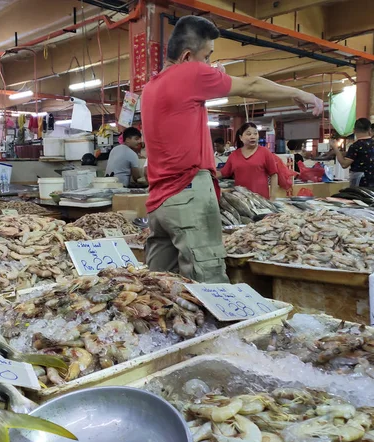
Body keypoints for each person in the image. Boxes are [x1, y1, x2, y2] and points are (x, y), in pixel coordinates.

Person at [141, 15, 323, 282]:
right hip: (188, 194)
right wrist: (297, 92)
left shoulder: (151, 87)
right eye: (207, 57)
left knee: (160, 285)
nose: (210, 65)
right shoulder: (190, 73)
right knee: (209, 281)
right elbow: (252, 85)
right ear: (188, 56)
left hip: (159, 202)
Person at [220, 123, 279, 199]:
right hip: (241, 200)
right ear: (241, 137)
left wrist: (272, 198)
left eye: (255, 133)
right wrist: (206, 172)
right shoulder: (234, 155)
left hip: (261, 200)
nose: (253, 136)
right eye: (249, 134)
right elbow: (223, 173)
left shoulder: (265, 152)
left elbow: (274, 175)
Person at [335, 118, 374, 187]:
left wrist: (335, 148)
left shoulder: (355, 146)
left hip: (361, 183)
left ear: (354, 130)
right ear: (369, 130)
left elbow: (344, 164)